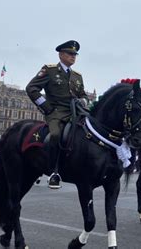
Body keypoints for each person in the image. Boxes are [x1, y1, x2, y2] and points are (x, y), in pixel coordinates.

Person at [26, 40, 88, 189]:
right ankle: (54, 171)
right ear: (61, 55)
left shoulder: (77, 76)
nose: (73, 56)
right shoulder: (50, 70)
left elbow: (83, 94)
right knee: (55, 135)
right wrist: (47, 108)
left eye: (75, 54)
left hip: (77, 112)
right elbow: (31, 88)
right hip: (56, 113)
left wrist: (83, 102)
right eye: (70, 53)